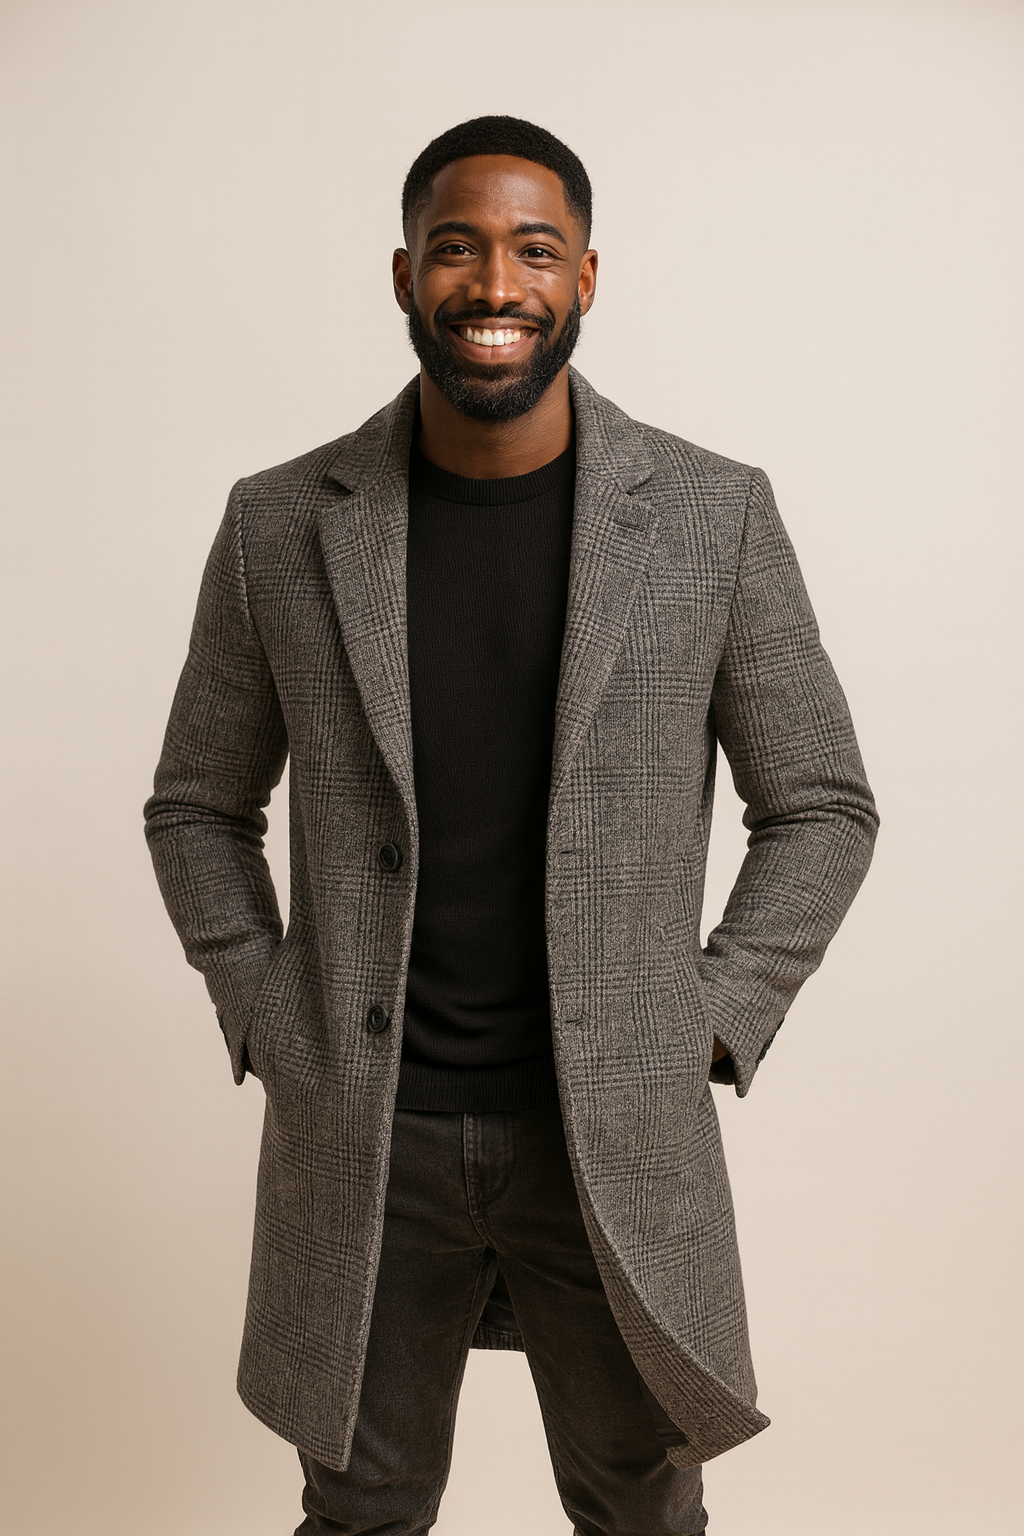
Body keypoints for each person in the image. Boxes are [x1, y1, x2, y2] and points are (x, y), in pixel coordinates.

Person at [144, 115, 878, 1536]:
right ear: (404, 274)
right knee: (360, 1510)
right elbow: (198, 803)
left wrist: (713, 1014)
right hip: (370, 1134)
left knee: (642, 1509)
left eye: (535, 251)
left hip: (611, 1127)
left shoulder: (711, 517)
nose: (495, 284)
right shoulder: (283, 522)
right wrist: (264, 1004)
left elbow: (821, 804)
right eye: (457, 248)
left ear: (585, 279)